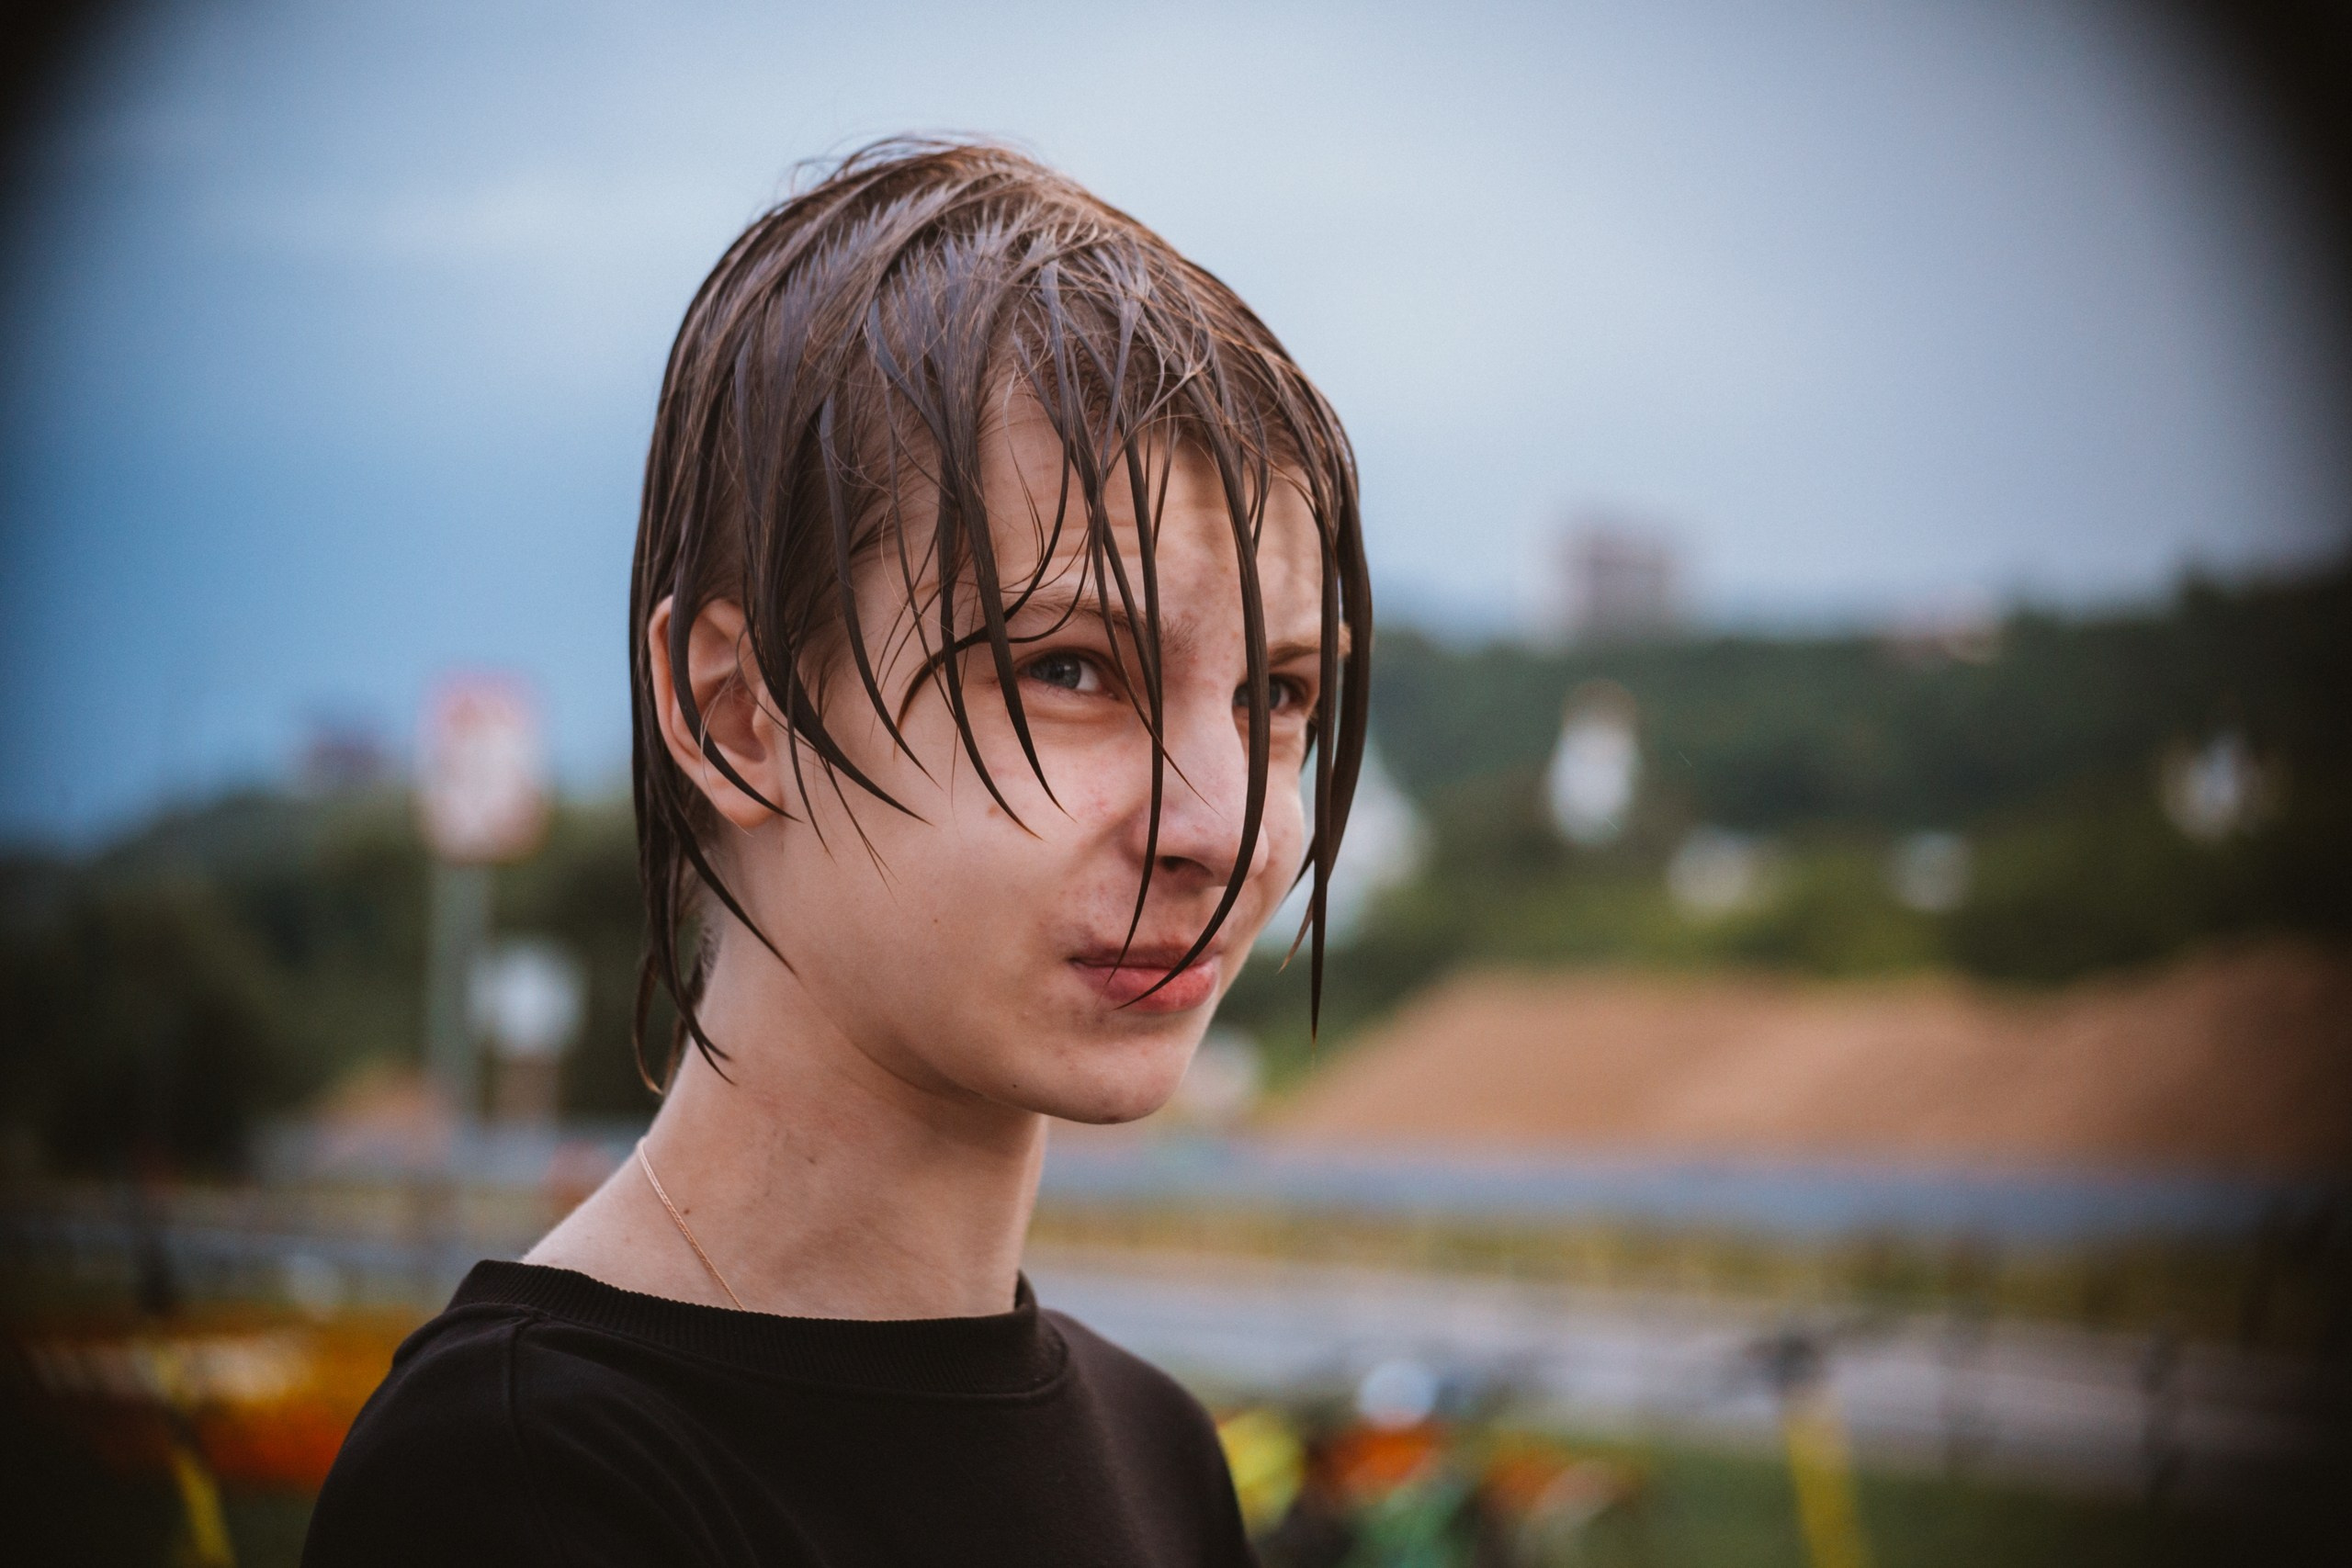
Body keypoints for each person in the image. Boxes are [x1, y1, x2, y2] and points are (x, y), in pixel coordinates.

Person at [301, 138, 1372, 1566]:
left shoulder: (1160, 1449)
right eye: (1068, 669)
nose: (1224, 827)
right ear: (734, 711)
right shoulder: (528, 1479)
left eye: (1278, 696)